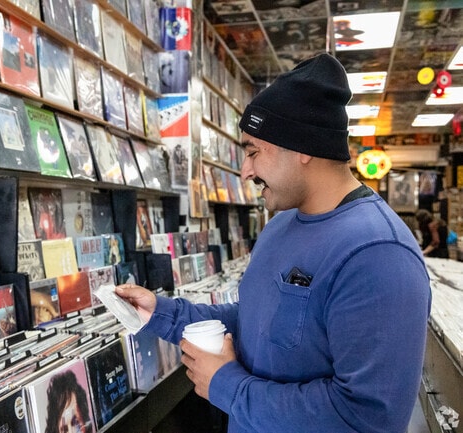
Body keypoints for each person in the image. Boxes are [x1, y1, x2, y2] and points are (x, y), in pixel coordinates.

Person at [116, 54, 431, 433]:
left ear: (302, 147)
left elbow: (366, 418)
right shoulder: (280, 225)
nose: (246, 171)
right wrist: (161, 314)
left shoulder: (379, 254)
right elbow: (254, 322)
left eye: (253, 152)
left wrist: (227, 387)